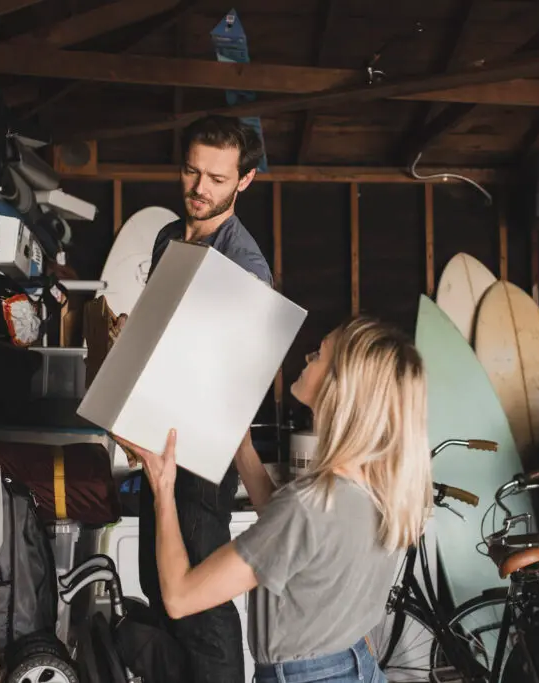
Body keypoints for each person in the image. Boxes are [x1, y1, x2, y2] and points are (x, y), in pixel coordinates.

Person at [115, 317, 433, 683]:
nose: (307, 357)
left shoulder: (309, 505)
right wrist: (244, 450)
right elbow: (291, 543)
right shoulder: (380, 489)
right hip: (356, 666)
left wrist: (163, 487)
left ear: (340, 387)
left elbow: (180, 596)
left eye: (319, 355)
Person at [137, 114, 273, 683]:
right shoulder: (169, 236)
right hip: (156, 436)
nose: (200, 189)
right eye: (192, 172)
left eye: (217, 179)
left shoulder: (244, 269)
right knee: (155, 583)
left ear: (244, 181)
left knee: (199, 607)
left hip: (200, 456)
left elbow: (237, 381)